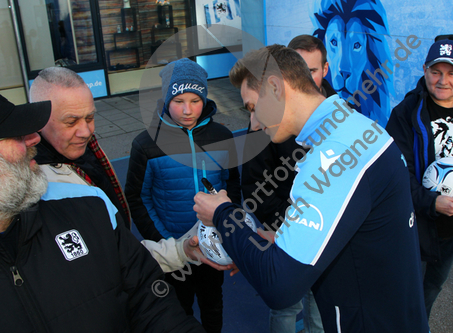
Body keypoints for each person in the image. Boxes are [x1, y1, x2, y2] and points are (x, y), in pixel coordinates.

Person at [193, 45, 429, 332]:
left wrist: (222, 213)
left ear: (275, 88)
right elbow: (354, 226)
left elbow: (280, 288)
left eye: (253, 108)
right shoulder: (354, 128)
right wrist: (275, 241)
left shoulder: (333, 155)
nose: (253, 124)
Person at [0, 94, 204, 332]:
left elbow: (145, 294)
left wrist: (180, 251)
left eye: (90, 117)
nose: (86, 131)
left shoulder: (87, 204)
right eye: (17, 134)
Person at [125, 58, 241, 333]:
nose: (188, 110)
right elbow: (137, 197)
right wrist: (165, 241)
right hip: (172, 248)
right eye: (178, 100)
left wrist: (228, 232)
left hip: (213, 245)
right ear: (165, 99)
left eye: (195, 100)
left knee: (213, 304)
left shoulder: (222, 136)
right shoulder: (146, 144)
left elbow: (232, 186)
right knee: (179, 309)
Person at [241, 35, 330, 333]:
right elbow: (255, 188)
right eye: (298, 68)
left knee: (320, 310)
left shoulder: (342, 119)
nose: (303, 77)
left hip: (326, 239)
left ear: (325, 70)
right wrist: (290, 227)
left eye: (312, 70)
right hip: (284, 237)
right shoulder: (263, 122)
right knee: (285, 308)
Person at [386, 39, 453, 319]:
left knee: (433, 287)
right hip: (418, 226)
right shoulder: (405, 114)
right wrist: (433, 203)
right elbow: (397, 177)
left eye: (451, 73)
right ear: (424, 70)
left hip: (450, 231)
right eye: (436, 72)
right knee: (406, 294)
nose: (443, 80)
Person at [29, 67, 131, 229]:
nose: (86, 132)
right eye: (71, 122)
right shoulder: (32, 189)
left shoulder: (84, 146)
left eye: (90, 118)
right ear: (39, 121)